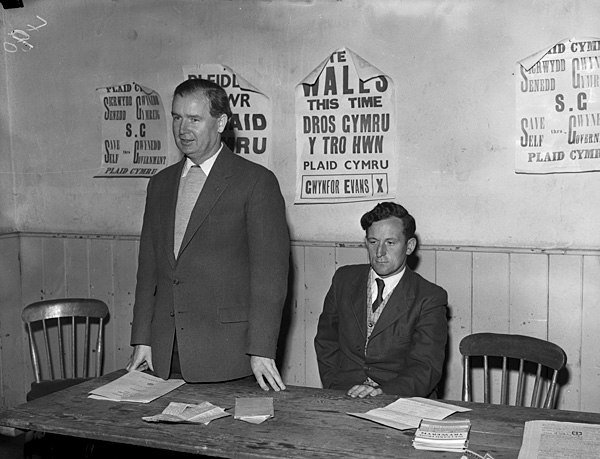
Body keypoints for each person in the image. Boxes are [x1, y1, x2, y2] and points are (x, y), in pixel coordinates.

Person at [126, 78, 290, 392]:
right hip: (164, 352)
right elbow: (148, 272)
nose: (182, 129)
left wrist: (262, 348)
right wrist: (142, 339)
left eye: (194, 119)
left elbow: (270, 277)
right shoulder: (159, 185)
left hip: (230, 355)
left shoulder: (256, 182)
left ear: (221, 122)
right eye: (176, 117)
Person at [314, 202, 448, 398]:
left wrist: (382, 393)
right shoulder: (343, 279)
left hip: (400, 399)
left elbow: (425, 368)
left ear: (409, 246)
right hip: (344, 395)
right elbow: (326, 341)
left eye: (390, 243)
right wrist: (335, 386)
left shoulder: (429, 297)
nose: (379, 252)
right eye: (373, 241)